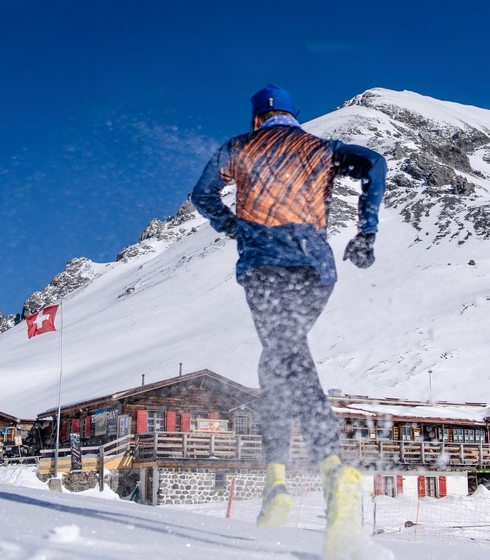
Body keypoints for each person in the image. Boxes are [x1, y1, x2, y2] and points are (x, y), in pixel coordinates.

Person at [191, 84, 386, 558]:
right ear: (295, 117)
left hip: (264, 270)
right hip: (315, 270)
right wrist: (367, 230)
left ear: (258, 118)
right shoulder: (321, 148)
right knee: (280, 358)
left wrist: (233, 226)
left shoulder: (238, 148)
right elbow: (374, 164)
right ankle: (283, 482)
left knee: (286, 356)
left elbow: (202, 195)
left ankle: (326, 474)